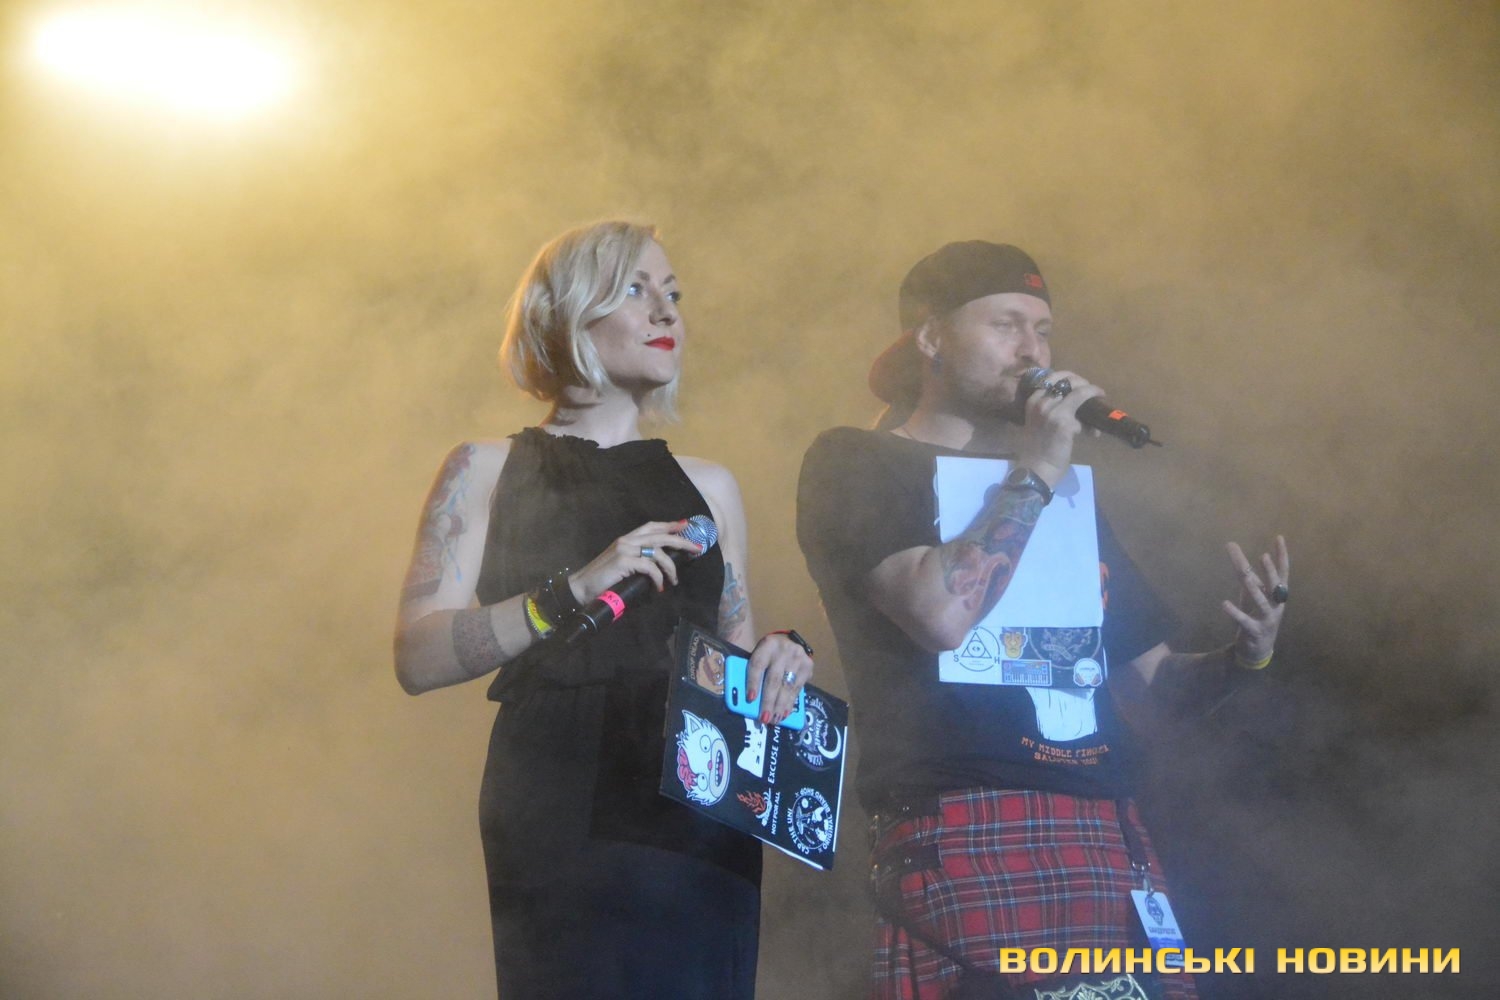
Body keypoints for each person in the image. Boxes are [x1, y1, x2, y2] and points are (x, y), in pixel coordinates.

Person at [796, 241, 1289, 999]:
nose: (1033, 351)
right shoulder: (857, 461)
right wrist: (1040, 467)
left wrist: (1246, 656)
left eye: (1044, 329)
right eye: (1006, 324)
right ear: (930, 337)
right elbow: (939, 616)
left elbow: (1153, 689)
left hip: (1105, 828)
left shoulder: (1058, 490)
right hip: (964, 820)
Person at [394, 220, 814, 999]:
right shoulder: (485, 469)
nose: (666, 311)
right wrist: (571, 592)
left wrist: (777, 660)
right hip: (563, 788)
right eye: (635, 289)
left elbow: (735, 668)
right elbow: (417, 657)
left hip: (699, 801)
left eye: (673, 293)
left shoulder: (712, 487)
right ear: (565, 312)